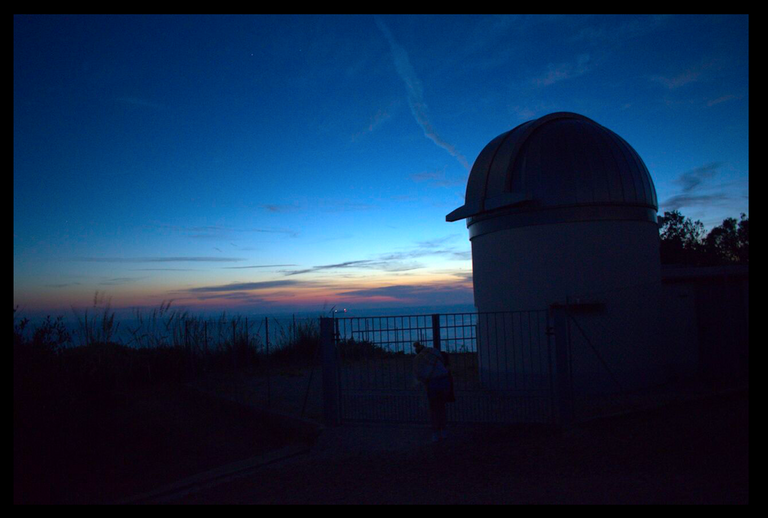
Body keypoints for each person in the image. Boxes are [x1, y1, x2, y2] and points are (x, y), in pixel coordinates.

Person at [412, 341, 451, 441]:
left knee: (433, 409)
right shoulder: (434, 351)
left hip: (432, 383)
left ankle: (435, 432)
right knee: (441, 407)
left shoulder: (418, 359)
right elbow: (444, 361)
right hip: (444, 380)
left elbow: (419, 374)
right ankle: (444, 431)